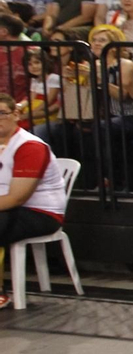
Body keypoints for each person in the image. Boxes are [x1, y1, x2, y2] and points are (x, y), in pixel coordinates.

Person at [0, 91, 72, 306]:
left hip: (41, 212)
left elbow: (16, 198)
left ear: (16, 114)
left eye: (2, 113)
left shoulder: (29, 146)